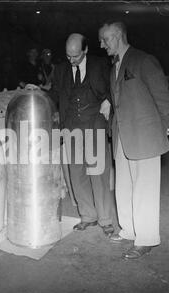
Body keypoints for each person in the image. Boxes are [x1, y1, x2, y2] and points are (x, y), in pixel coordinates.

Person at [98, 21, 169, 259]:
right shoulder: (114, 68)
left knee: (145, 189)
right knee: (124, 187)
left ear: (118, 36)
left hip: (145, 136)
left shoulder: (143, 60)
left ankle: (146, 239)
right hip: (122, 136)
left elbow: (165, 100)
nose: (101, 45)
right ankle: (129, 230)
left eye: (105, 39)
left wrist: (157, 131)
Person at [48, 33, 119, 237]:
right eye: (69, 56)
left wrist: (108, 100)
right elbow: (55, 94)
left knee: (98, 173)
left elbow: (113, 88)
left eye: (76, 56)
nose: (72, 60)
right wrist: (39, 92)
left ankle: (105, 219)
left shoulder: (100, 65)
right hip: (71, 126)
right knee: (77, 173)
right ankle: (88, 215)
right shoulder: (61, 69)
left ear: (85, 50)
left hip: (94, 122)